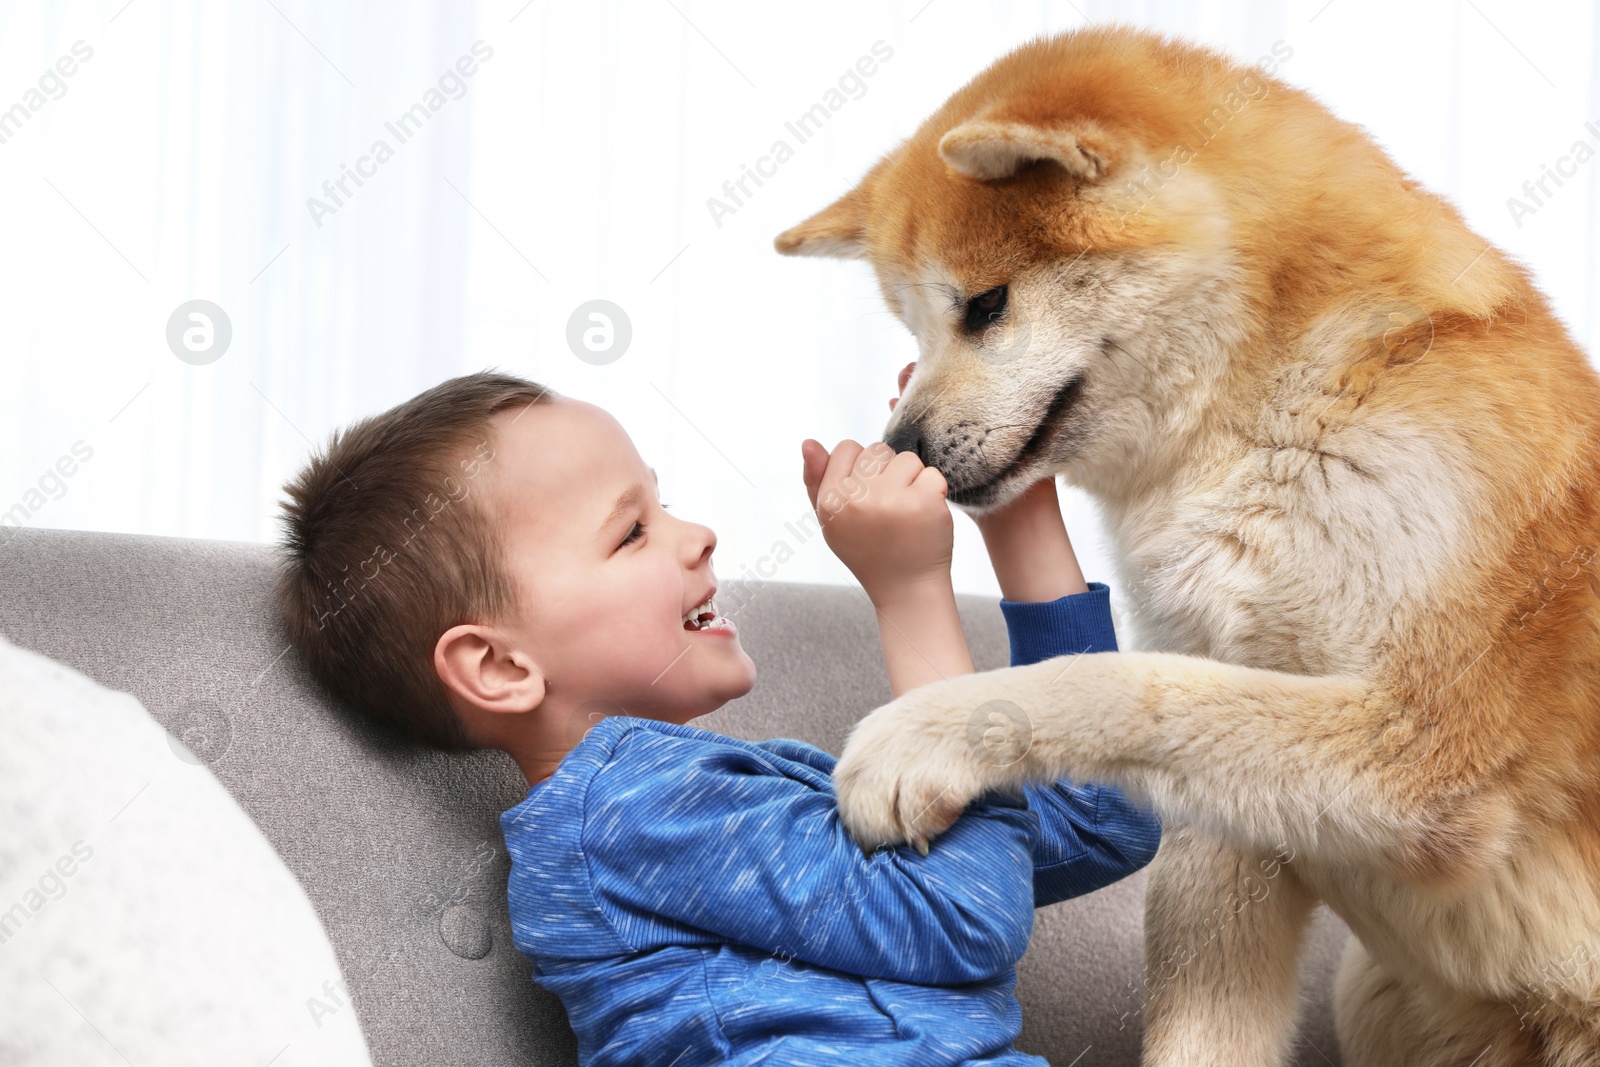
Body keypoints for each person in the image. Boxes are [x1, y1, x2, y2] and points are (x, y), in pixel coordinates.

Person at [274, 370, 1161, 1066]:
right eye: (630, 532)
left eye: (663, 502)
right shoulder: (616, 819)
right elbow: (962, 912)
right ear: (502, 667)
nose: (695, 532)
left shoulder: (743, 795)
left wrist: (1014, 513)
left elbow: (1098, 815)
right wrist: (912, 593)